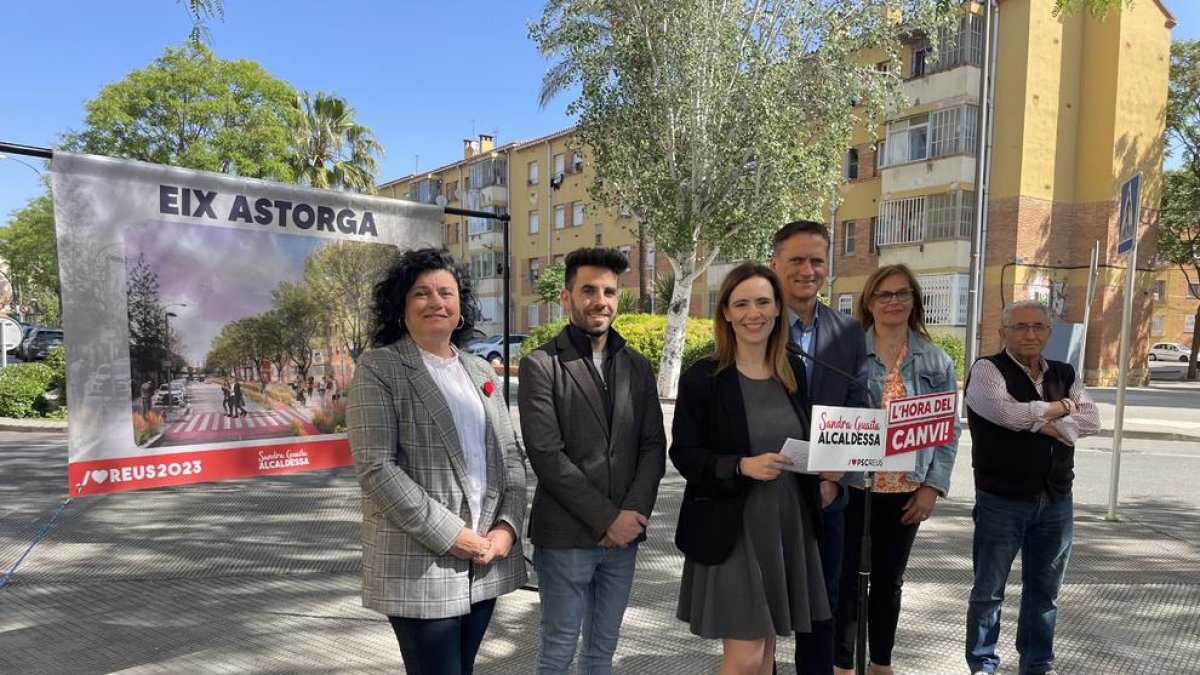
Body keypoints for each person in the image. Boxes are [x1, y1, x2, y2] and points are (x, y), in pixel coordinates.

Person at [346, 247, 527, 675]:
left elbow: (511, 458)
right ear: (401, 306)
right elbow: (376, 468)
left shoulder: (480, 371)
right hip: (422, 562)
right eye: (421, 293)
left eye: (446, 292)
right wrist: (454, 536)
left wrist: (508, 529)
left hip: (486, 560)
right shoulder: (380, 368)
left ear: (460, 306)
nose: (436, 302)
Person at [672, 262, 837, 675]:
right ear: (725, 312)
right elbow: (686, 455)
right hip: (731, 528)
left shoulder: (793, 371)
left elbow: (801, 438)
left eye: (763, 302)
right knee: (745, 656)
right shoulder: (703, 378)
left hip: (785, 524)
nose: (753, 313)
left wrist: (824, 469)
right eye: (741, 303)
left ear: (779, 309)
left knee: (765, 653)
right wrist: (741, 466)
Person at [518, 247, 666, 675]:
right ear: (566, 298)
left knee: (603, 652)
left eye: (609, 291)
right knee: (558, 650)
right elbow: (547, 455)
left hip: (624, 541)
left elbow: (653, 446)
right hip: (565, 538)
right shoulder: (541, 364)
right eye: (588, 290)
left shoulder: (637, 367)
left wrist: (633, 513)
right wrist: (607, 520)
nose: (600, 300)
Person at [832, 264, 960, 675]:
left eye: (901, 293)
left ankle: (880, 663)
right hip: (854, 486)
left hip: (906, 489)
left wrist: (931, 488)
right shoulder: (846, 353)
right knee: (848, 579)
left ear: (914, 301)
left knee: (889, 581)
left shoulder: (935, 359)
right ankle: (842, 664)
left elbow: (947, 430)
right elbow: (831, 414)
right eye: (884, 294)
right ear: (869, 301)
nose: (893, 302)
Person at [963, 300, 1099, 675]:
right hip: (1001, 499)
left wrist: (1037, 417)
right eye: (1020, 327)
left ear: (1049, 333)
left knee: (1044, 594)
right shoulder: (987, 370)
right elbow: (1005, 413)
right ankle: (983, 664)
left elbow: (1093, 420)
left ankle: (1037, 665)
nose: (1029, 334)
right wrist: (1060, 410)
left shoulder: (1064, 371)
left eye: (1038, 326)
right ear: (1003, 332)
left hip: (1056, 499)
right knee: (988, 592)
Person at [769, 219, 869, 671]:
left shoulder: (848, 332)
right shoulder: (755, 320)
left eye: (816, 260)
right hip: (766, 492)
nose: (807, 270)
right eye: (796, 260)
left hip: (828, 495)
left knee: (821, 606)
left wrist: (834, 477)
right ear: (775, 264)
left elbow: (857, 404)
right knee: (764, 608)